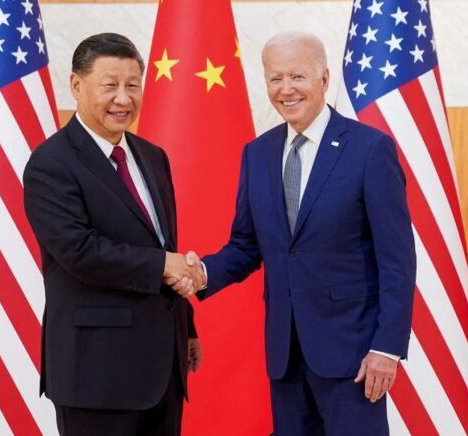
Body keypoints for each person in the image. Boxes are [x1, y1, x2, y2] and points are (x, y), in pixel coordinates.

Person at [182, 32, 416, 435]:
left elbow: (397, 258)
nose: (286, 89)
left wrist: (387, 348)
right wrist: (202, 273)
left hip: (355, 355)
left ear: (324, 79)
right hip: (285, 354)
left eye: (297, 76)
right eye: (275, 78)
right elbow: (247, 244)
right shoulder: (257, 153)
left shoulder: (369, 149)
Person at [23, 33, 205, 436]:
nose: (123, 99)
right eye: (110, 86)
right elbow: (78, 251)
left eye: (132, 85)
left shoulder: (152, 157)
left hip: (163, 370)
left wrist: (185, 326)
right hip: (96, 374)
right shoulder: (50, 163)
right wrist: (162, 264)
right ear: (76, 85)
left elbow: (162, 245)